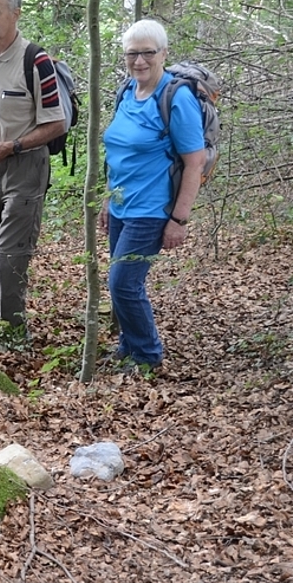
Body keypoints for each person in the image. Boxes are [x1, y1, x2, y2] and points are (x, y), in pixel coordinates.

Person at [99, 19, 205, 369]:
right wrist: (106, 198)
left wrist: (179, 219)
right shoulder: (127, 92)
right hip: (121, 206)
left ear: (163, 53)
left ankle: (147, 354)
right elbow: (119, 154)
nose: (139, 60)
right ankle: (129, 346)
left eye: (147, 53)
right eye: (132, 53)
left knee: (123, 283)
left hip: (152, 208)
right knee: (124, 284)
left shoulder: (177, 98)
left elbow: (195, 162)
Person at [0, 0, 66, 328]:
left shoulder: (34, 60)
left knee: (9, 255)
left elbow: (57, 123)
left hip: (24, 164)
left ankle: (11, 330)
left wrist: (12, 146)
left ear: (15, 14)